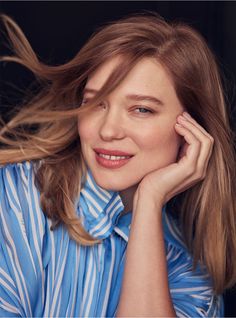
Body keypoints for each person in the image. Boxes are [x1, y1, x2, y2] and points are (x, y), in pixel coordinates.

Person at [0, 12, 235, 317]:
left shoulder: (189, 270)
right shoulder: (17, 197)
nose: (108, 130)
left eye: (140, 109)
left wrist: (149, 201)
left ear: (193, 129)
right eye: (96, 103)